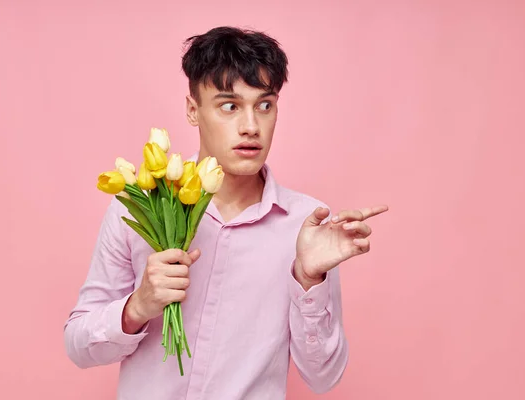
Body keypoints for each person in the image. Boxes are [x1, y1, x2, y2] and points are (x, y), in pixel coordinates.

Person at [64, 26, 388, 400]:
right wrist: (138, 306)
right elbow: (78, 345)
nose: (251, 127)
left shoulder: (307, 226)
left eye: (264, 105)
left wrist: (308, 278)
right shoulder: (140, 205)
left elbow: (323, 377)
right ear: (192, 110)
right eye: (229, 106)